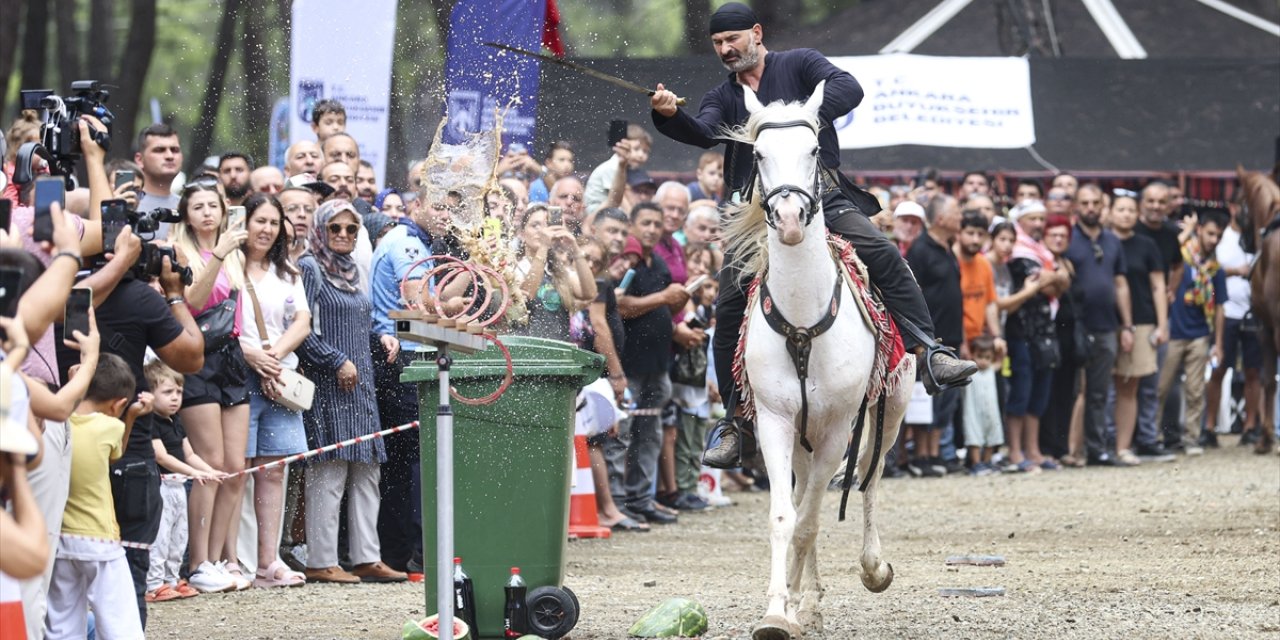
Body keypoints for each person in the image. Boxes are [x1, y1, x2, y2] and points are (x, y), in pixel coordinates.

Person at [648, 3, 977, 469]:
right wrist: (666, 115)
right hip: (756, 210)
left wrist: (798, 116)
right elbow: (703, 132)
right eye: (718, 43)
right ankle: (736, 421)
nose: (725, 49)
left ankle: (929, 352)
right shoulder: (724, 96)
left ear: (756, 34)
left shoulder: (800, 63)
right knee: (728, 305)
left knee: (883, 252)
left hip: (823, 196)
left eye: (733, 40)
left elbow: (850, 87)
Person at [296, 200, 406, 584]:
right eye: (335, 229)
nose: (343, 236)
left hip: (362, 385)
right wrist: (335, 360)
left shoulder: (355, 270)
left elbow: (361, 318)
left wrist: (382, 338)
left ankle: (366, 556)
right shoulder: (309, 267)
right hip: (330, 384)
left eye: (351, 230)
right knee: (329, 472)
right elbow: (302, 330)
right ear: (320, 230)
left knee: (367, 470)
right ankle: (321, 559)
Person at [169, 181, 251, 594]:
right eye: (197, 206)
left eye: (212, 206)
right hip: (197, 356)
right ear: (185, 213)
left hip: (233, 357)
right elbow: (192, 302)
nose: (206, 213)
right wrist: (218, 255)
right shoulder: (181, 250)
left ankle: (220, 558)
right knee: (210, 461)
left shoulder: (235, 253)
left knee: (236, 466)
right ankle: (198, 561)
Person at [45, 354, 151, 640]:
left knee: (63, 620)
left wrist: (74, 385)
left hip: (62, 538)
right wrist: (130, 416)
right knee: (118, 616)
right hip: (98, 537)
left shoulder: (57, 423)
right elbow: (115, 453)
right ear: (117, 404)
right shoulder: (112, 427)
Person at [236, 192, 312, 587]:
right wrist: (253, 357)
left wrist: (275, 357)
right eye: (258, 220)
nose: (265, 229)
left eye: (272, 222)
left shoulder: (288, 272)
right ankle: (236, 560)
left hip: (280, 377)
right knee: (240, 470)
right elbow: (216, 321)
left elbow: (302, 321)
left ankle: (269, 560)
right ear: (243, 222)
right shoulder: (229, 268)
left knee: (274, 470)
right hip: (240, 375)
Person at [609, 203, 692, 525]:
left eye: (657, 224)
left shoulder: (657, 262)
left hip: (659, 363)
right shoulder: (624, 263)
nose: (652, 229)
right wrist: (663, 299)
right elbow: (620, 306)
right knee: (623, 434)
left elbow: (663, 307)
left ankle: (642, 498)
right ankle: (619, 502)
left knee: (651, 434)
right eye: (646, 222)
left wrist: (677, 304)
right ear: (632, 225)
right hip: (629, 364)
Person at [1063, 184, 1132, 466]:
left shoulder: (1112, 241)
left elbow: (1120, 283)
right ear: (1076, 206)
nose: (1090, 208)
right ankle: (1067, 449)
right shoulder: (1067, 239)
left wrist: (1127, 325)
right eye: (1085, 203)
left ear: (1103, 206)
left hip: (1106, 326)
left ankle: (1097, 449)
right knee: (1073, 391)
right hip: (1075, 326)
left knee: (1100, 392)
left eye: (1095, 203)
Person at [144, 361, 220, 602]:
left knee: (179, 537)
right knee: (161, 536)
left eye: (178, 392)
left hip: (178, 487)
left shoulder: (175, 421)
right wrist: (193, 473)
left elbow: (191, 454)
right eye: (167, 392)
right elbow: (161, 456)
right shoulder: (150, 422)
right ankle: (154, 584)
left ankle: (172, 579)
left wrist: (210, 471)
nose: (175, 398)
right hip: (162, 486)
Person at [1156, 211, 1228, 456]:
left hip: (1199, 334)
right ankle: (1151, 436)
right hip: (1173, 332)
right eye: (1209, 233)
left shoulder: (1215, 269)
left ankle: (1192, 438)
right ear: (1199, 231)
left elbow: (1220, 308)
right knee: (1161, 388)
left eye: (1218, 236)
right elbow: (1163, 257)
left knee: (1196, 390)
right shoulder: (1181, 259)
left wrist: (1217, 342)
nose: (1213, 240)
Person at [906, 195, 966, 474]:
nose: (961, 217)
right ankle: (921, 456)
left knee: (945, 399)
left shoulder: (948, 248)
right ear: (940, 218)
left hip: (952, 337)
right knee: (925, 396)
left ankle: (935, 453)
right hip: (930, 339)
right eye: (956, 212)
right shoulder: (920, 250)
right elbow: (910, 294)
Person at [1108, 194, 1169, 466]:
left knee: (1130, 385)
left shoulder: (1146, 244)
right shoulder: (1103, 242)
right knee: (1098, 388)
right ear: (1110, 212)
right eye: (1120, 209)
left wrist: (1163, 322)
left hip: (1142, 320)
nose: (1125, 214)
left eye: (1131, 210)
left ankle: (1123, 446)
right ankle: (1099, 444)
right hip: (1104, 322)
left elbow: (1159, 286)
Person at [1204, 203, 1264, 448]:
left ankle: (1250, 426)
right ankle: (1209, 427)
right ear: (1233, 208)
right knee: (1218, 370)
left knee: (1253, 372)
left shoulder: (1259, 238)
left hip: (1253, 312)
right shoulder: (1221, 236)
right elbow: (1207, 268)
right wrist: (1234, 271)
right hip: (1225, 312)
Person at [515, 204, 597, 340]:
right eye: (535, 225)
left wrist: (575, 248)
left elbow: (589, 293)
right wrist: (544, 246)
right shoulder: (515, 268)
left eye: (547, 225)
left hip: (560, 350)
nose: (542, 231)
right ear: (522, 234)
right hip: (528, 350)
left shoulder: (557, 270)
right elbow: (528, 295)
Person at [962, 335, 1004, 475]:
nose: (984, 361)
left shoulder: (992, 369)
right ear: (973, 354)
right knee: (974, 437)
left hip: (991, 412)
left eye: (987, 357)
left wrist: (999, 346)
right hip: (973, 412)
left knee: (992, 437)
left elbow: (1001, 358)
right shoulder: (970, 371)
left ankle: (987, 462)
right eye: (980, 356)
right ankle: (976, 464)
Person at [133, 124, 183, 223]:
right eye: (159, 150)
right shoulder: (127, 203)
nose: (170, 156)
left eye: (175, 150)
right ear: (139, 160)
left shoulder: (189, 208)